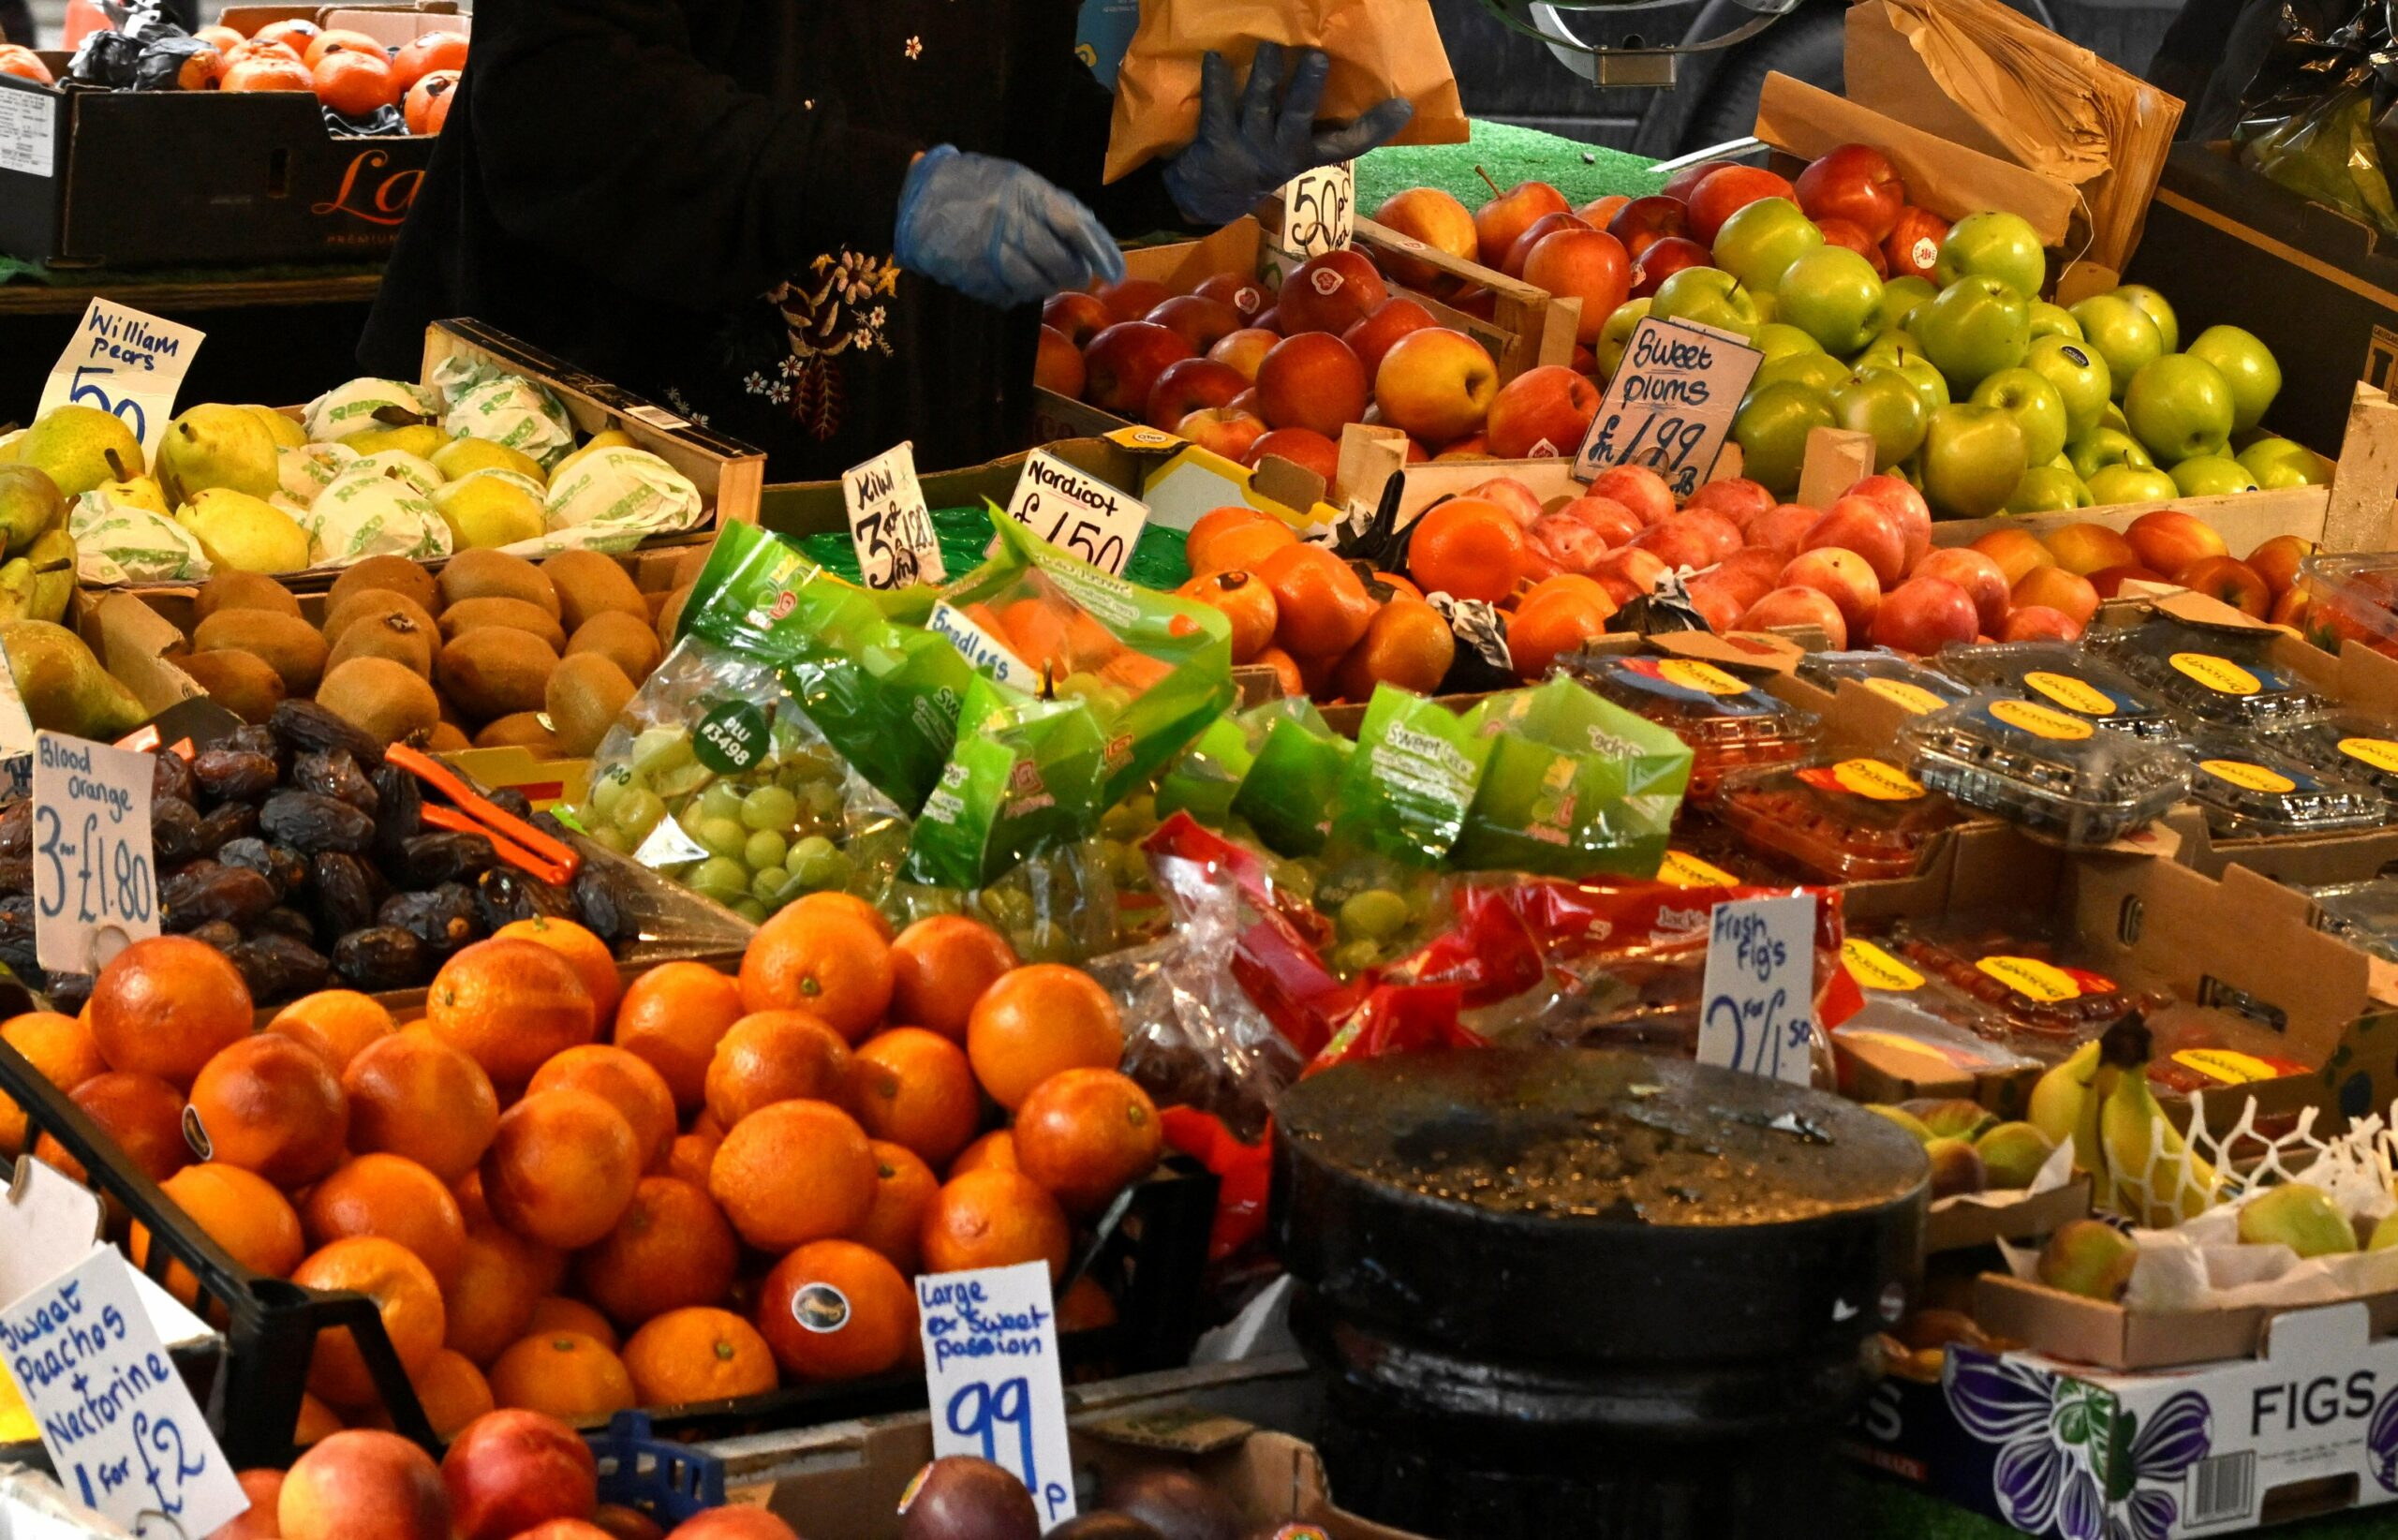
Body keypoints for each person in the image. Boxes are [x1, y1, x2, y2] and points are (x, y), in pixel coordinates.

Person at [362, 4, 1410, 481]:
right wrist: (888, 188)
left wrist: (1160, 172)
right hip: (590, 477)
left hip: (900, 481)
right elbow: (560, 100)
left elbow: (997, 103)